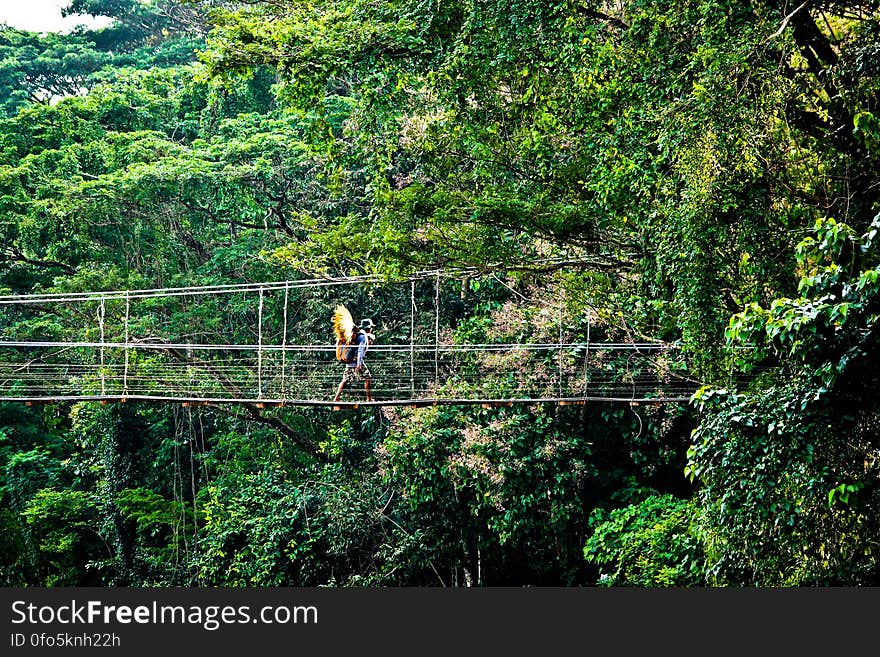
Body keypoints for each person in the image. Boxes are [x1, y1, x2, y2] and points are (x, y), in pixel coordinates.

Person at [334, 318, 375, 402]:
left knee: (345, 379)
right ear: (368, 328)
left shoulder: (356, 335)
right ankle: (369, 399)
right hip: (356, 361)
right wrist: (359, 364)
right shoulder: (363, 337)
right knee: (368, 378)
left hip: (349, 361)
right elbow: (360, 350)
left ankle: (336, 398)